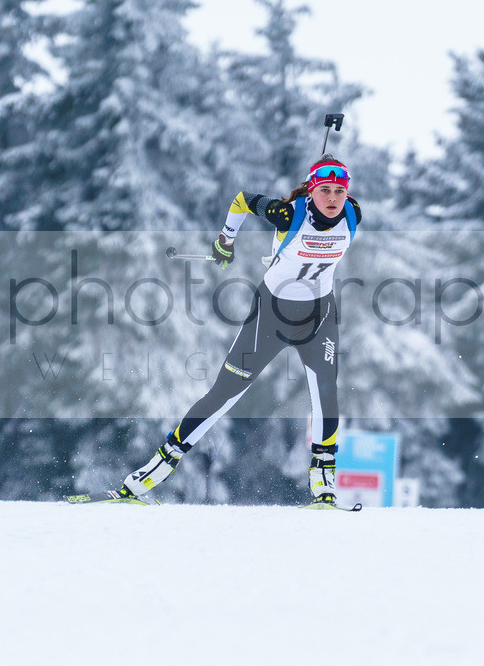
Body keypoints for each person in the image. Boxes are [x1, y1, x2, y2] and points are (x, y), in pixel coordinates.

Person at [118, 154, 361, 506]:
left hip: (319, 315)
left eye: (339, 191)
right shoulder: (288, 213)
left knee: (326, 389)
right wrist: (226, 240)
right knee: (224, 393)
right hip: (271, 316)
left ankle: (324, 479)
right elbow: (242, 200)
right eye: (325, 190)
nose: (333, 199)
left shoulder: (353, 213)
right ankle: (155, 467)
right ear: (311, 190)